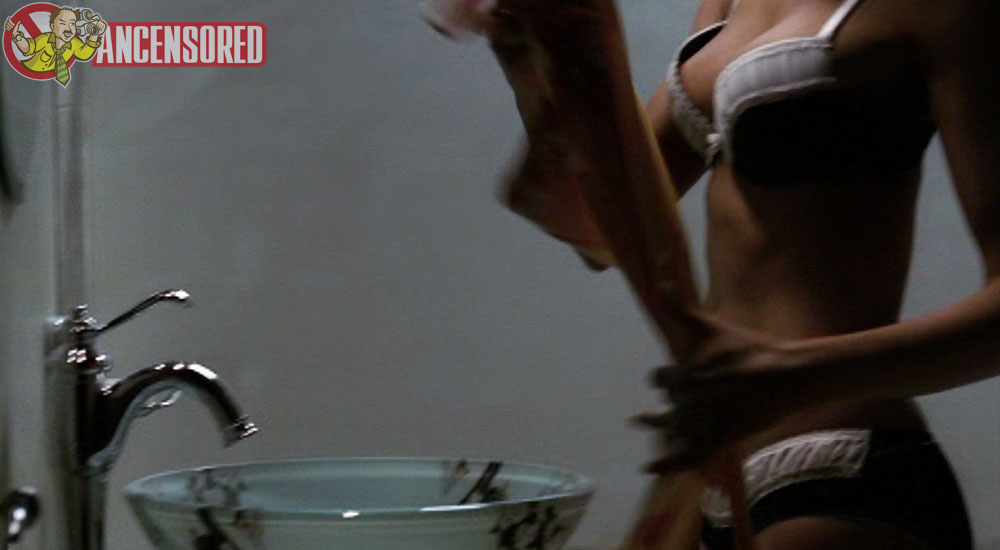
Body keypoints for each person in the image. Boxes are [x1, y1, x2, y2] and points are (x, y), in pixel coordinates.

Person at [484, 0, 1000, 548]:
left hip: (838, 469)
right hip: (715, 476)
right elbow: (598, 229)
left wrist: (790, 377)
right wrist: (535, 55)